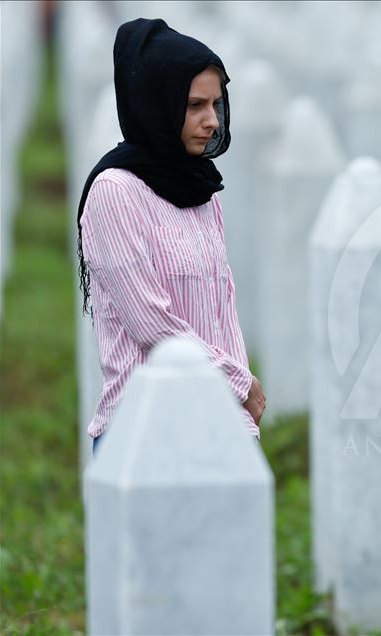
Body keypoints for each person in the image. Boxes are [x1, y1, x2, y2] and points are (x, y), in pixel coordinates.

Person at [77, 18, 265, 450]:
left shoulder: (202, 192)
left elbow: (222, 311)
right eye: (195, 105)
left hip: (219, 424)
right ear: (156, 103)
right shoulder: (115, 192)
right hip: (143, 433)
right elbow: (152, 323)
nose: (212, 121)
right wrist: (239, 383)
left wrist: (243, 424)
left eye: (216, 104)